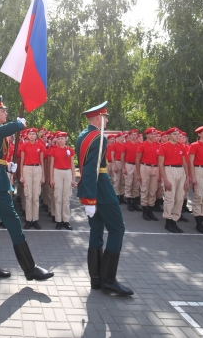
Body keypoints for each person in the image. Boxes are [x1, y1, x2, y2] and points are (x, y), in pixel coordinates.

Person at [0, 96, 53, 280]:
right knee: (13, 221)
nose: (6, 113)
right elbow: (8, 129)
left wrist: (7, 165)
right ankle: (30, 268)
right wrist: (18, 124)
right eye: (3, 111)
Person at [78, 102, 133, 296]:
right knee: (118, 229)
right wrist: (91, 199)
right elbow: (92, 169)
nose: (107, 120)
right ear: (96, 118)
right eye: (104, 117)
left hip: (92, 189)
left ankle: (97, 279)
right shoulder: (97, 137)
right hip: (100, 189)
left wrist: (88, 197)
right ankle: (109, 279)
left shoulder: (83, 135)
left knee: (96, 232)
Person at [157, 128, 189, 233]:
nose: (178, 136)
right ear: (169, 135)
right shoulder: (164, 147)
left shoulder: (182, 147)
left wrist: (187, 177)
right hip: (169, 170)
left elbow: (185, 163)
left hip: (181, 171)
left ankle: (175, 220)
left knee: (180, 197)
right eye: (175, 134)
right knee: (170, 197)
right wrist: (165, 179)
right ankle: (168, 221)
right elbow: (160, 164)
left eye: (178, 134)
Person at [19, 128, 46, 229]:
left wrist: (43, 175)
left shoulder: (40, 145)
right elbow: (21, 161)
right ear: (28, 135)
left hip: (37, 168)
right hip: (27, 169)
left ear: (36, 135)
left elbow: (42, 162)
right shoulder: (24, 146)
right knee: (28, 195)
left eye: (33, 134)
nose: (31, 136)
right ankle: (28, 219)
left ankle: (35, 219)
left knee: (36, 196)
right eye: (29, 134)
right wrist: (21, 175)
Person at [49, 131, 76, 230]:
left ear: (66, 139)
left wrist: (73, 178)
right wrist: (51, 178)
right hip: (57, 172)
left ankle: (66, 220)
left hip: (67, 172)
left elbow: (72, 165)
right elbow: (51, 165)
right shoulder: (54, 150)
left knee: (66, 198)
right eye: (58, 138)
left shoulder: (70, 150)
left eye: (62, 138)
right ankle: (58, 220)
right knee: (58, 197)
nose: (60, 140)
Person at [136, 127, 160, 221]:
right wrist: (138, 174)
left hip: (155, 167)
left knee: (153, 190)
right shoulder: (142, 145)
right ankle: (145, 211)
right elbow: (137, 159)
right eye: (151, 134)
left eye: (154, 134)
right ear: (147, 135)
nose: (153, 136)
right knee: (145, 189)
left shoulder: (158, 145)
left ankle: (151, 210)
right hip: (145, 167)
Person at [121, 129, 142, 212]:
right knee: (129, 183)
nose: (134, 136)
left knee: (136, 184)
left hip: (137, 166)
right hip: (129, 165)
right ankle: (129, 203)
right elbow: (122, 157)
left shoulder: (140, 145)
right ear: (129, 136)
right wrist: (123, 168)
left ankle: (135, 203)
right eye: (132, 135)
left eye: (135, 134)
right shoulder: (125, 145)